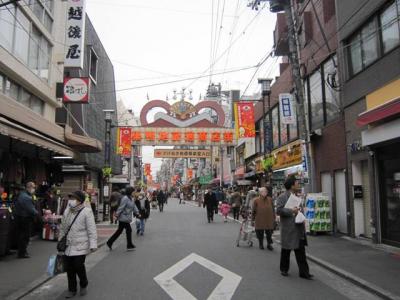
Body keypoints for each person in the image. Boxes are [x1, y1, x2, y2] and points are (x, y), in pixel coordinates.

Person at [60, 191, 97, 298]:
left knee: (78, 265)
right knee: (69, 268)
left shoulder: (87, 212)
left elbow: (92, 229)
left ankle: (83, 283)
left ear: (80, 201)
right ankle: (72, 289)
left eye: (74, 198)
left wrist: (93, 244)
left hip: (81, 244)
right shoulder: (67, 211)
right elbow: (63, 227)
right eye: (70, 197)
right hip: (68, 244)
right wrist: (60, 241)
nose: (71, 200)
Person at [276, 176, 313, 280]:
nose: (298, 184)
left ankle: (304, 273)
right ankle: (284, 269)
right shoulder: (282, 197)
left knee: (301, 251)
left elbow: (298, 210)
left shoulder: (297, 196)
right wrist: (292, 211)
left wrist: (300, 212)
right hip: (288, 228)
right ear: (292, 185)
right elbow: (278, 210)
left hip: (298, 227)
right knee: (286, 250)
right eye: (296, 183)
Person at [107, 186, 139, 251]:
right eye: (133, 191)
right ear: (130, 192)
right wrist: (116, 214)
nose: (134, 193)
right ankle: (129, 245)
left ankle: (109, 242)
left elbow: (134, 206)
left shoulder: (131, 198)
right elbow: (121, 207)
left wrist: (137, 212)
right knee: (128, 230)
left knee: (119, 231)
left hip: (127, 217)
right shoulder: (125, 198)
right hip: (123, 217)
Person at [14, 182, 38, 259]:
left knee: (21, 235)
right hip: (24, 218)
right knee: (25, 236)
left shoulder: (23, 195)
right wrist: (39, 215)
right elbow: (31, 209)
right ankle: (22, 253)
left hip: (20, 217)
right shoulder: (26, 197)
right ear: (28, 187)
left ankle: (22, 251)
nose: (34, 189)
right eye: (33, 187)